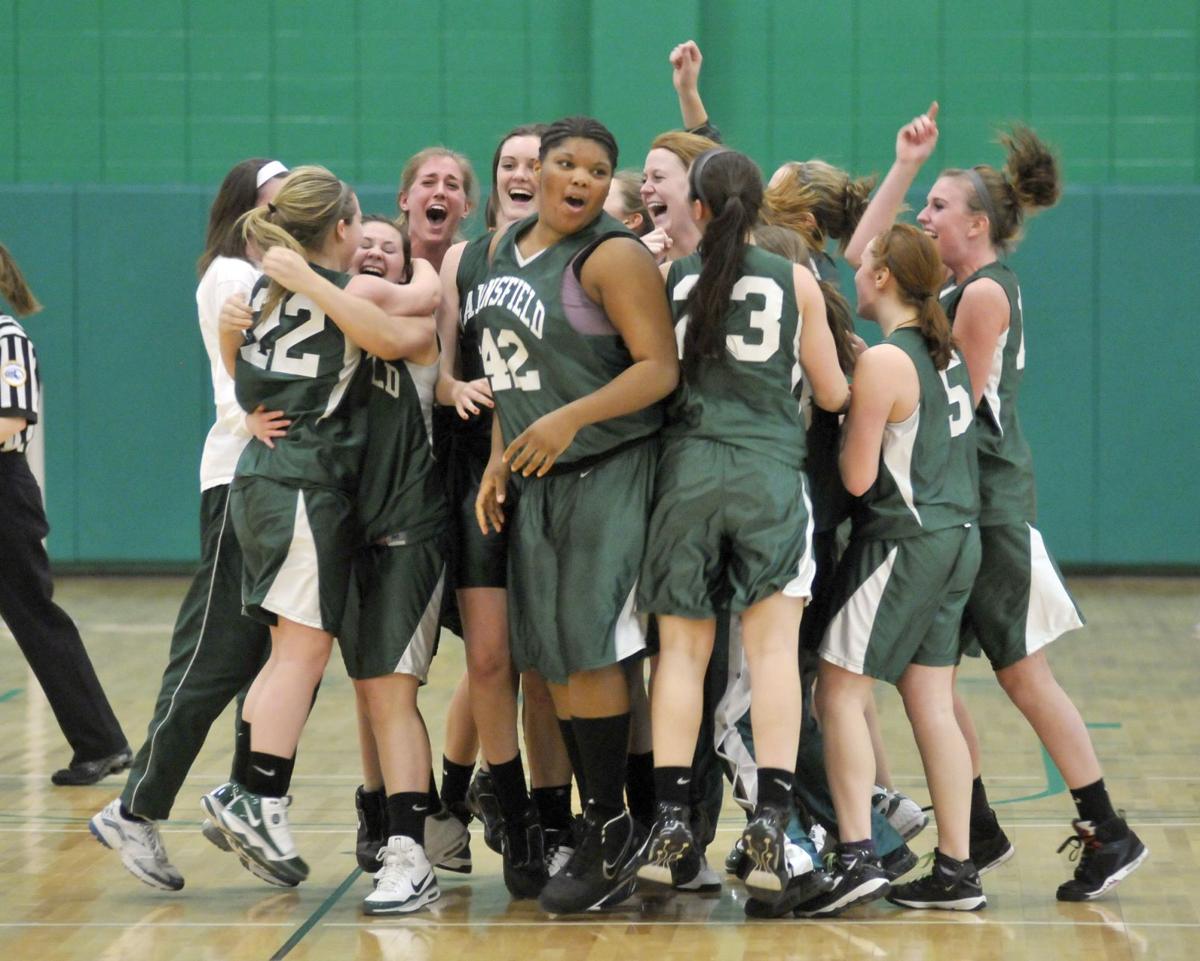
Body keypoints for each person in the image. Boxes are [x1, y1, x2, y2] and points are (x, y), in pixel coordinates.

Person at [848, 103, 1147, 902]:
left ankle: (1106, 827)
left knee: (1023, 676)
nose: (924, 216)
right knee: (929, 678)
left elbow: (963, 407)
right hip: (962, 508)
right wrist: (905, 164)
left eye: (938, 206)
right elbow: (860, 258)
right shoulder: (964, 288)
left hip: (983, 505)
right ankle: (971, 829)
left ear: (975, 224)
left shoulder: (980, 298)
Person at [203, 165, 437, 885]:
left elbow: (238, 372)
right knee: (302, 656)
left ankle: (253, 790)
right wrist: (429, 266)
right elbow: (412, 312)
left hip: (261, 481)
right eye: (359, 226)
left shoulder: (263, 295)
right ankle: (257, 792)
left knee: (287, 652)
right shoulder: (342, 290)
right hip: (305, 487)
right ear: (339, 231)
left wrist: (247, 403)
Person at [633, 149, 848, 916]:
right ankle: (770, 822)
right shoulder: (795, 279)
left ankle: (667, 825)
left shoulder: (673, 277)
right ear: (760, 206)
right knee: (771, 657)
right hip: (766, 477)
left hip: (686, 477)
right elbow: (832, 390)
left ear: (695, 198)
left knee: (683, 657)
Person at [474, 116, 678, 914]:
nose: (581, 179)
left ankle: (613, 830)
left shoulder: (615, 254)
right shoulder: (497, 251)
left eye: (598, 170)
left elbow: (658, 369)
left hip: (609, 469)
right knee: (553, 659)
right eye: (568, 163)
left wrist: (569, 419)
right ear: (538, 168)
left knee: (594, 652)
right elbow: (510, 374)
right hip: (537, 477)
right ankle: (605, 827)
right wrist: (499, 453)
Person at [89, 158, 290, 892]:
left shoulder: (277, 276)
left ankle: (246, 799)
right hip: (240, 478)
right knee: (212, 654)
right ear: (245, 212)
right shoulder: (231, 278)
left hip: (277, 484)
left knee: (271, 657)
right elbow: (235, 381)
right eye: (274, 203)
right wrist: (251, 413)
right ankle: (134, 808)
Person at [803, 223, 984, 917]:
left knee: (838, 691)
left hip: (903, 541)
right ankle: (959, 867)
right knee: (930, 701)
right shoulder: (942, 353)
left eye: (865, 264)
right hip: (957, 535)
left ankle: (854, 853)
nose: (856, 272)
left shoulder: (884, 361)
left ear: (881, 278)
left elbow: (855, 478)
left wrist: (849, 399)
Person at [337, 215, 458, 914]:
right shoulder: (330, 326)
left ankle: (412, 851)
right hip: (348, 537)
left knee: (391, 690)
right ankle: (387, 825)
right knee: (368, 690)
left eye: (392, 245)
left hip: (409, 531)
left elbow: (389, 314)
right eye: (365, 243)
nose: (376, 251)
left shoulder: (415, 331)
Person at [0, 243, 131, 786]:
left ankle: (102, 744)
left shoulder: (7, 336)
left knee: (35, 617)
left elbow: (10, 418)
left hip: (4, 494)